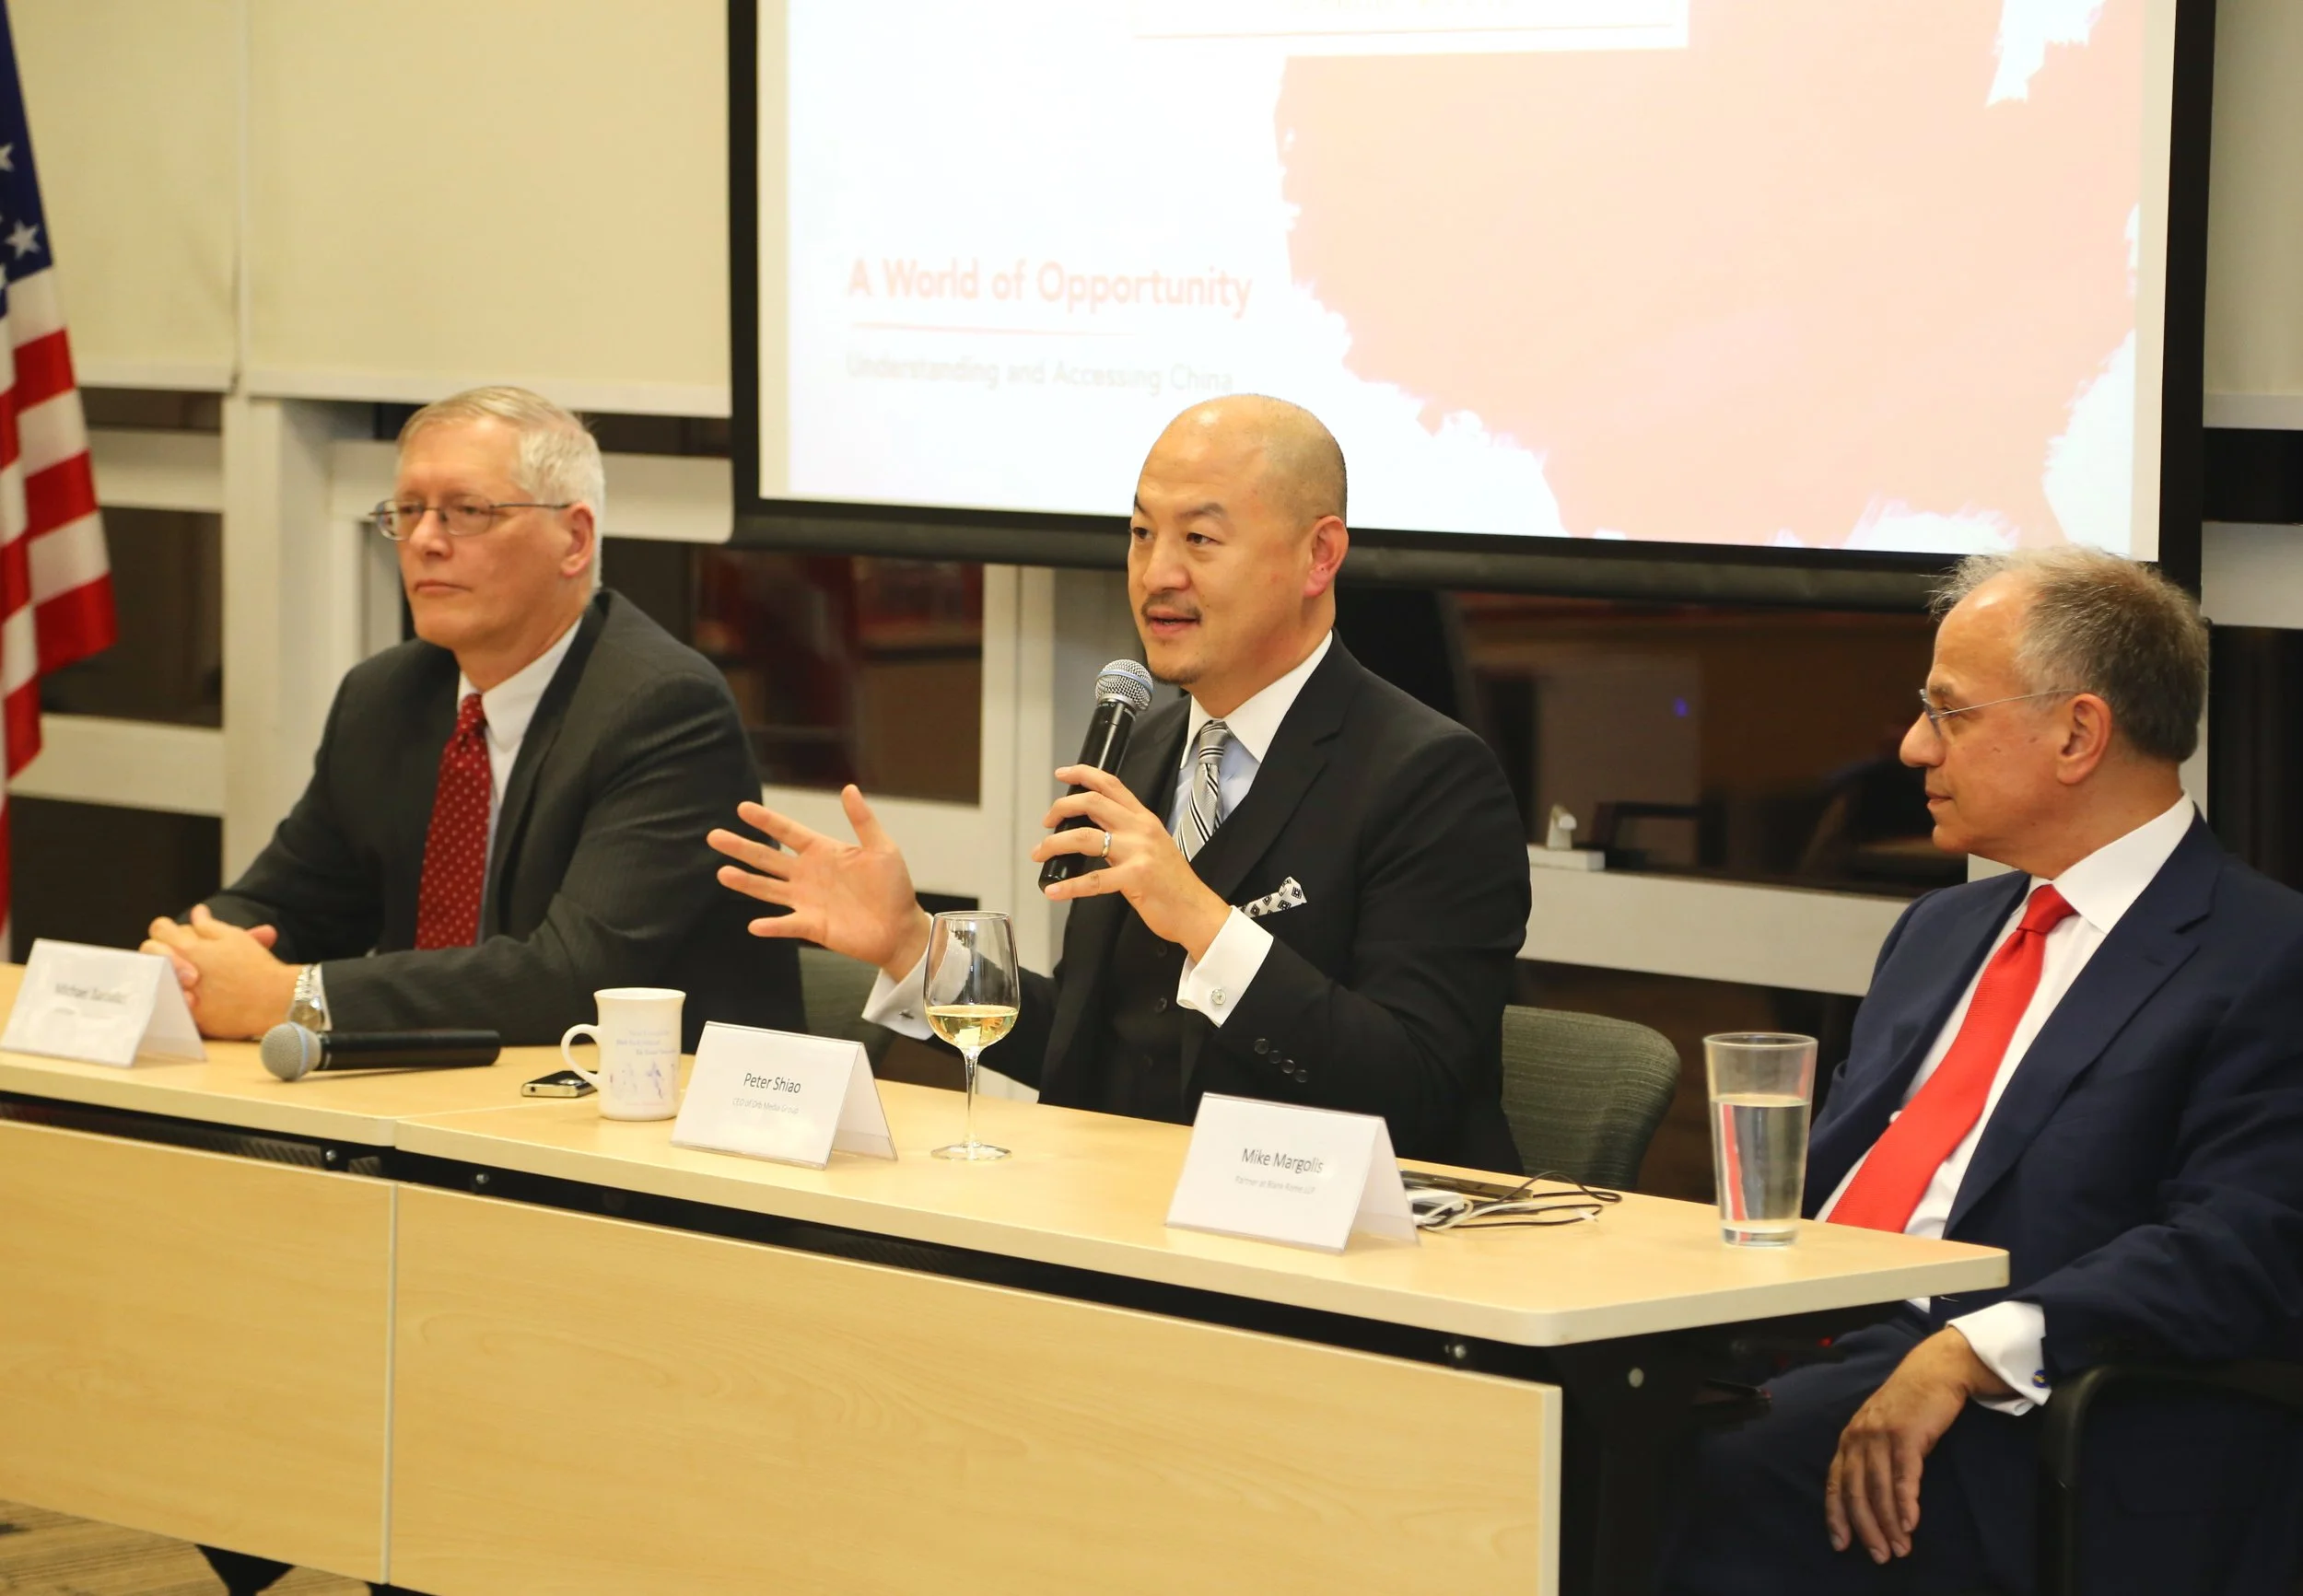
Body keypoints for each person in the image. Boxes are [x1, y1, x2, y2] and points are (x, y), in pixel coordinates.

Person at [1667, 548, 2303, 1595]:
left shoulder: (2263, 955)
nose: (1914, 745)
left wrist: (1971, 1349)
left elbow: (2243, 1247)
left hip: (2036, 1406)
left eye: (1948, 711)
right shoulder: (1940, 928)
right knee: (1544, 1403)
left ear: (2077, 733)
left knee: (1704, 1469)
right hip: (1808, 1334)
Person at [708, 395, 1529, 1169]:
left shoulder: (1430, 778)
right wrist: (913, 948)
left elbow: (1414, 1087)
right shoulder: (1144, 750)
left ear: (1319, 555)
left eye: (1199, 541)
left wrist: (1203, 923)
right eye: (1140, 534)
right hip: (1124, 1216)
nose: (1156, 574)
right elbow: (1090, 1043)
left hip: (1340, 1256)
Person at [142, 386, 799, 1054]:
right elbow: (290, 906)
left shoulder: (664, 709)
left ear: (574, 539)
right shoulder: (386, 697)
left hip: (649, 1120)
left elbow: (573, 978)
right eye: (408, 510)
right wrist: (186, 961)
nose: (425, 540)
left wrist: (296, 996)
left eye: (466, 512)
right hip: (429, 1107)